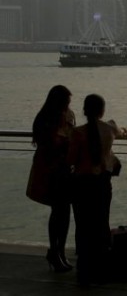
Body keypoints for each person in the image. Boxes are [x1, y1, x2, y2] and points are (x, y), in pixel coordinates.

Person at [68, 93, 127, 285]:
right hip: (102, 183)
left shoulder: (77, 132)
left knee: (83, 223)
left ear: (84, 110)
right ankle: (100, 263)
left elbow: (71, 159)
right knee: (101, 220)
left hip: (81, 183)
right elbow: (124, 131)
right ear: (102, 110)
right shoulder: (109, 128)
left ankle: (84, 265)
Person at [26, 85, 77, 273]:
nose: (68, 106)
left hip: (58, 169)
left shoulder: (45, 118)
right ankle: (56, 252)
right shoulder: (53, 119)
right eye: (66, 102)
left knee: (61, 211)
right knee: (60, 211)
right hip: (54, 170)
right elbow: (53, 144)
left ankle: (57, 252)